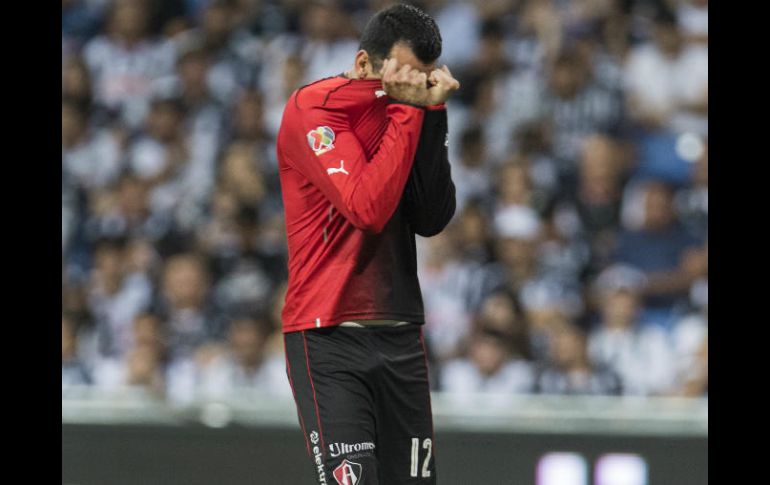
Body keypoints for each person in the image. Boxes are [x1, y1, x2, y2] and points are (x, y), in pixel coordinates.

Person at [276, 4, 459, 484]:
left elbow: (432, 218)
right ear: (363, 64)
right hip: (329, 334)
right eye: (401, 75)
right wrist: (408, 110)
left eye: (421, 78)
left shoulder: (407, 111)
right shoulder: (314, 109)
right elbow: (368, 209)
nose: (411, 87)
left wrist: (433, 116)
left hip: (401, 333)